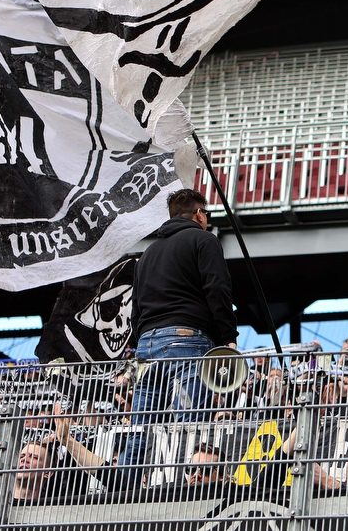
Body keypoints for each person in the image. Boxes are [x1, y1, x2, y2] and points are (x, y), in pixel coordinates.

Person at [119, 188, 238, 486]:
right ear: (199, 214)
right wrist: (228, 336)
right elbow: (217, 289)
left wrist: (140, 341)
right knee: (189, 421)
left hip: (147, 345)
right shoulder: (203, 240)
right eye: (206, 215)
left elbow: (136, 307)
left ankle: (122, 487)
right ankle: (182, 490)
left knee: (141, 425)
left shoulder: (147, 254)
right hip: (187, 339)